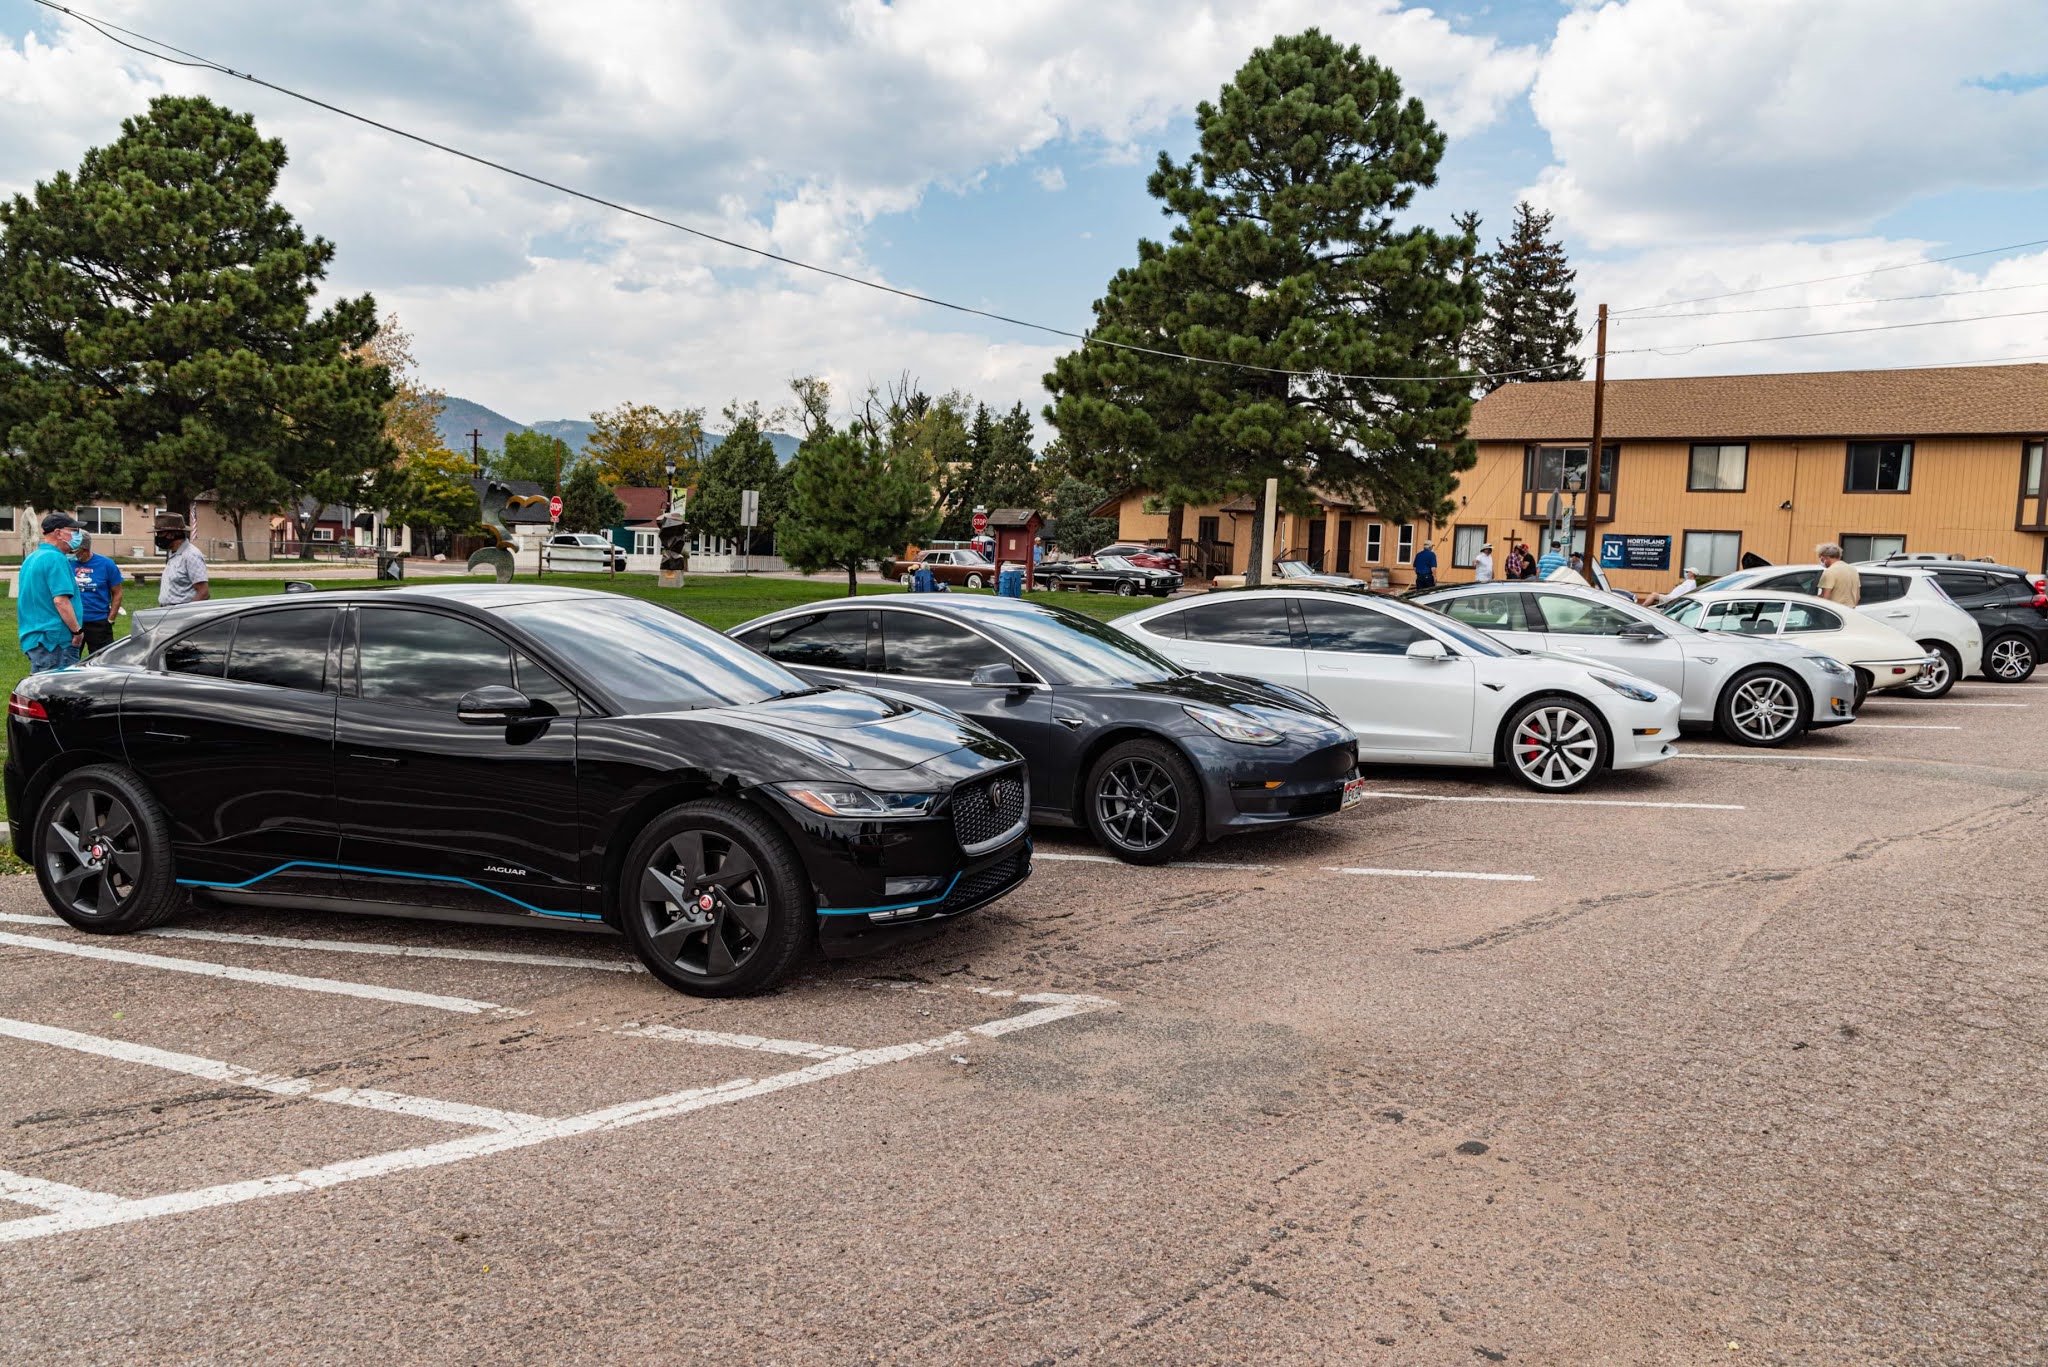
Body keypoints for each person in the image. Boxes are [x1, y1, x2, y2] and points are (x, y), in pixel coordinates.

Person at [18, 512, 87, 673]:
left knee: (41, 691)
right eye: (73, 531)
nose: (77, 535)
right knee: (60, 693)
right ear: (58, 533)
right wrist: (77, 631)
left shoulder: (32, 558)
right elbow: (61, 601)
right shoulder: (56, 558)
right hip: (56, 640)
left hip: (36, 638)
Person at [70, 531, 124, 656]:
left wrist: (110, 619)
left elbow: (117, 593)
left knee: (101, 661)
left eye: (73, 551)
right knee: (69, 661)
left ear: (84, 550)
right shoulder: (66, 563)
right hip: (73, 622)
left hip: (98, 622)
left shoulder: (106, 564)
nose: (70, 553)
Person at [156, 513, 210, 607]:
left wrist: (185, 613)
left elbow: (204, 593)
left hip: (181, 615)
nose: (157, 537)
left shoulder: (191, 555)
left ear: (171, 534)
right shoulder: (173, 553)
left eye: (160, 533)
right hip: (166, 612)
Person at [1816, 542, 1861, 607]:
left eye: (1821, 558)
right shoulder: (1853, 570)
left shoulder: (1830, 571)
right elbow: (1858, 596)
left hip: (1834, 612)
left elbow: (1825, 597)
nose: (1821, 561)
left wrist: (1809, 599)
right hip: (1849, 612)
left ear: (1825, 558)